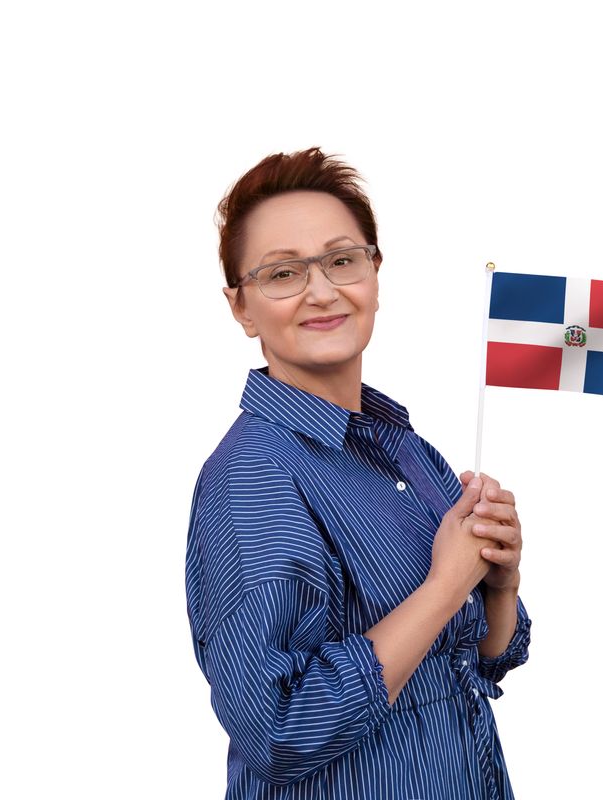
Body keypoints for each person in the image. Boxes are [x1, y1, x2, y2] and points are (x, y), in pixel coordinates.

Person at [185, 148, 532, 800]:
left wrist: (499, 587)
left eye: (342, 260)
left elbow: (482, 661)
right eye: (282, 272)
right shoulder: (252, 478)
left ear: (374, 273)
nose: (321, 291)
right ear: (241, 307)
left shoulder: (406, 452)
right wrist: (446, 582)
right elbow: (279, 729)